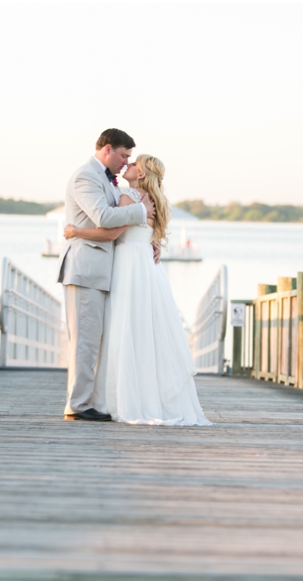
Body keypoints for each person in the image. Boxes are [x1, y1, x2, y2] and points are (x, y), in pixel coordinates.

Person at [64, 154, 212, 426]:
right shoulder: (156, 200)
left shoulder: (129, 197)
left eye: (133, 164)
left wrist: (75, 231)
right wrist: (154, 244)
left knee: (121, 330)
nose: (128, 166)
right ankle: (147, 395)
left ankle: (117, 399)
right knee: (145, 331)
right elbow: (148, 234)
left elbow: (110, 233)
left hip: (128, 267)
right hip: (147, 268)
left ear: (141, 174)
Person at [57, 129, 156, 421]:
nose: (126, 162)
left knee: (93, 339)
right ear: (107, 149)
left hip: (100, 270)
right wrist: (141, 212)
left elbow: (116, 229)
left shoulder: (108, 181)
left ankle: (85, 401)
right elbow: (104, 218)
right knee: (84, 340)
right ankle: (77, 405)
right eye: (124, 155)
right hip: (85, 268)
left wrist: (146, 238)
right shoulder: (85, 176)